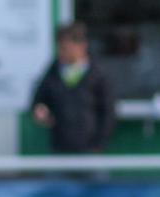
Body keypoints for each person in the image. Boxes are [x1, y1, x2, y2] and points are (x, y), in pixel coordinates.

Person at [31, 22, 115, 154]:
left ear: (82, 46)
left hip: (90, 151)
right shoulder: (53, 71)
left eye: (66, 48)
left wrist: (99, 144)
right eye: (60, 47)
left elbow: (108, 112)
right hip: (59, 148)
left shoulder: (98, 74)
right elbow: (38, 100)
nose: (61, 52)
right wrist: (40, 110)